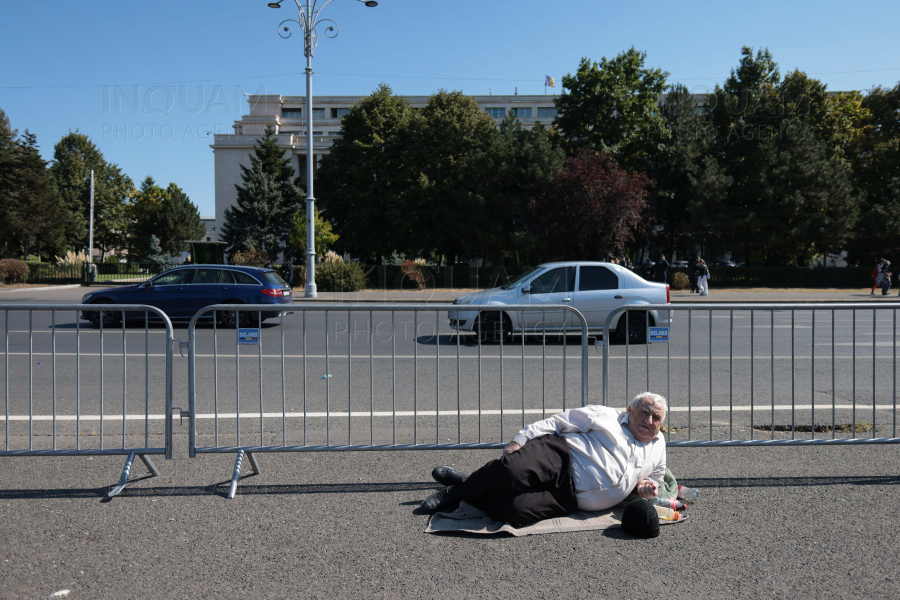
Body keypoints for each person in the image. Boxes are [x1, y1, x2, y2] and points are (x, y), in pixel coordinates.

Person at [421, 392, 667, 528]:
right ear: (630, 410)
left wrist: (645, 488)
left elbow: (653, 480)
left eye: (656, 417)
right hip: (563, 456)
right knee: (512, 471)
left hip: (571, 498)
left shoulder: (659, 447)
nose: (649, 420)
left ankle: (467, 481)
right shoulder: (606, 415)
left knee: (515, 511)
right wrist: (521, 439)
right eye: (644, 412)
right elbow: (558, 422)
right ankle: (454, 493)